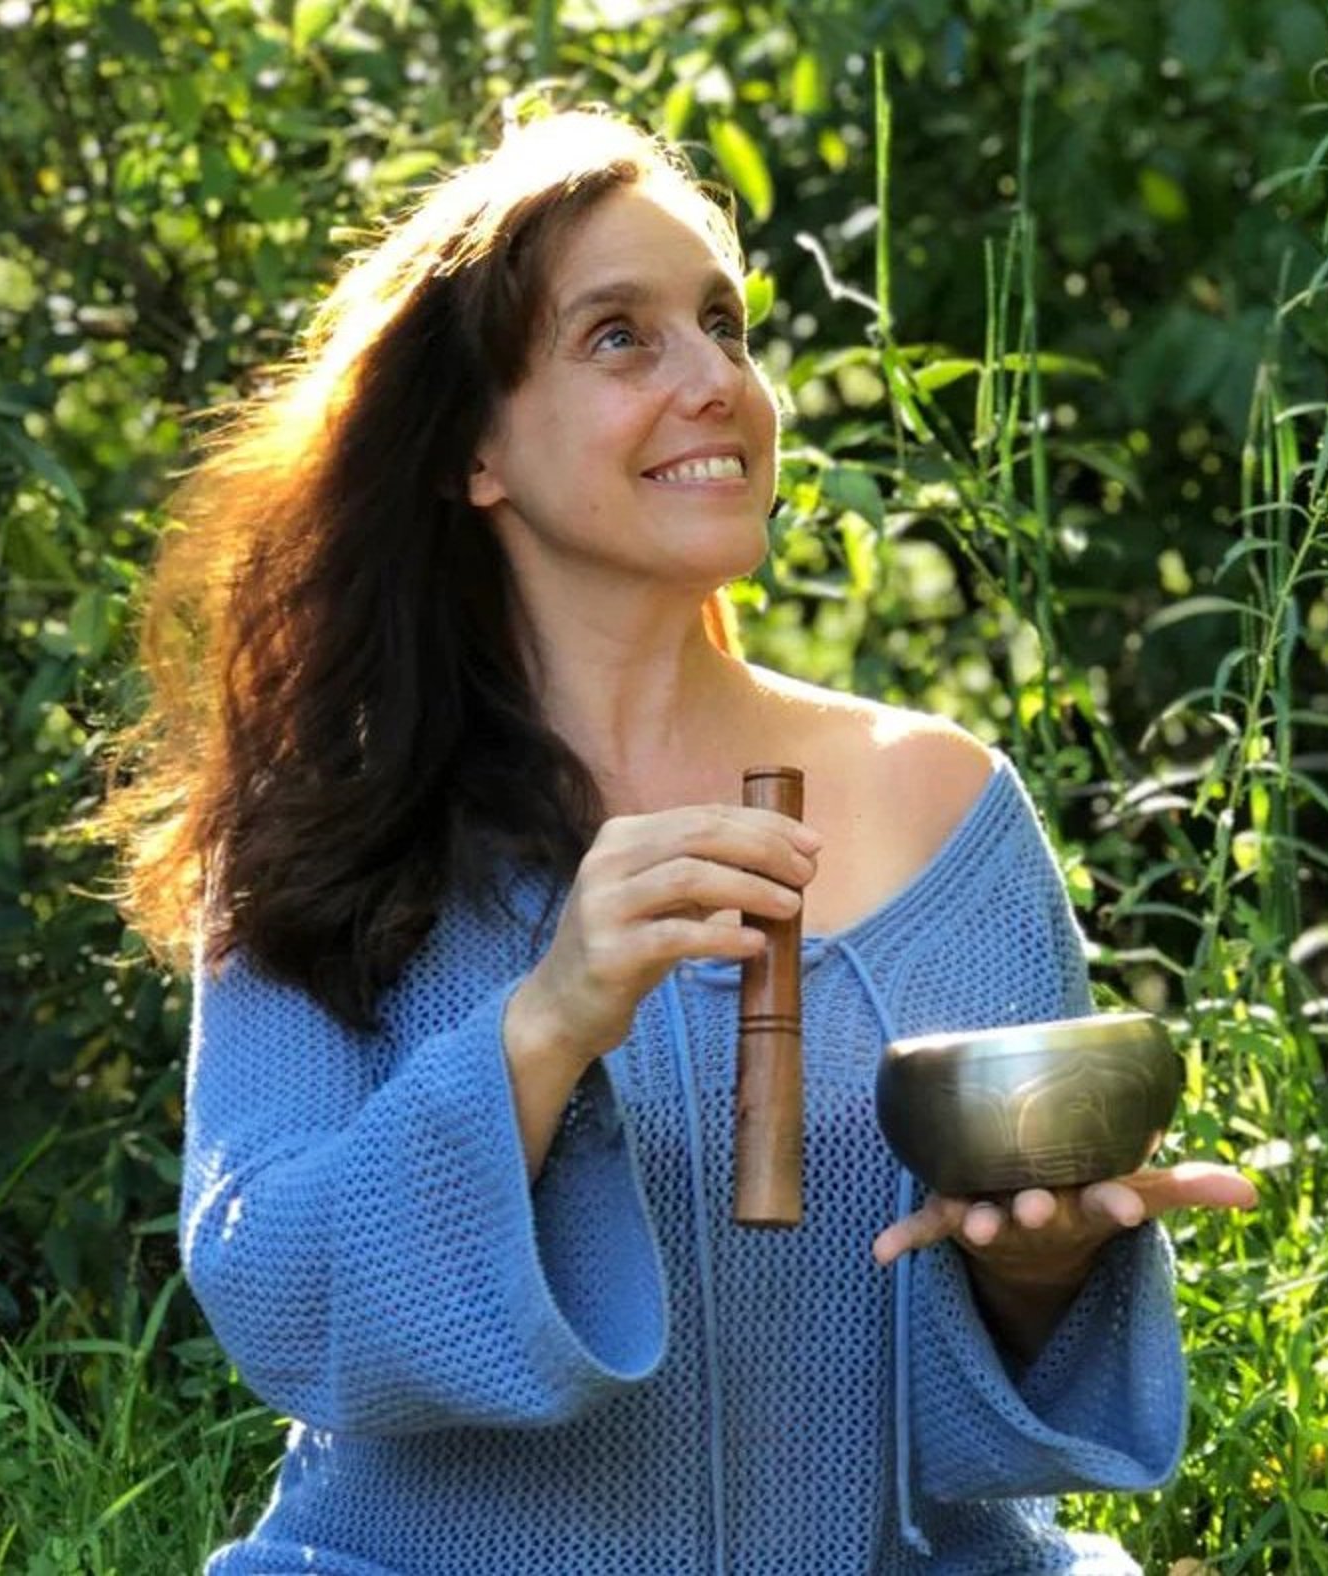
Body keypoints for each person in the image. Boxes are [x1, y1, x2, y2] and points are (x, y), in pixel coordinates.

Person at [103, 104, 1256, 1575]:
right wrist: (543, 1028)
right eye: (619, 338)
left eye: (724, 324)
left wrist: (1040, 1268)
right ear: (474, 451)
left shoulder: (945, 805)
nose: (719, 382)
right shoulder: (332, 825)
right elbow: (277, 1292)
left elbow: (987, 1419)